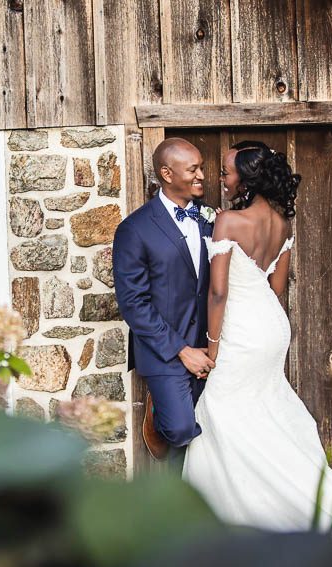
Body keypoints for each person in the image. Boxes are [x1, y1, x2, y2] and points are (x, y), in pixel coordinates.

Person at [182, 140, 332, 538]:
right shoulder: (282, 224)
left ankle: (233, 518)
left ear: (247, 179)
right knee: (262, 409)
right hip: (272, 325)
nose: (221, 178)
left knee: (221, 409)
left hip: (242, 331)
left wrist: (213, 347)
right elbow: (277, 288)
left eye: (227, 173)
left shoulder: (228, 222)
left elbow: (218, 293)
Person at [112, 138, 216, 472]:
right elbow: (133, 303)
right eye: (193, 169)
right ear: (167, 174)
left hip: (211, 345)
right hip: (165, 349)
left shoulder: (210, 219)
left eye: (202, 167)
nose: (202, 175)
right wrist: (182, 350)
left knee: (217, 428)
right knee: (181, 429)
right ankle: (158, 410)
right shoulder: (134, 229)